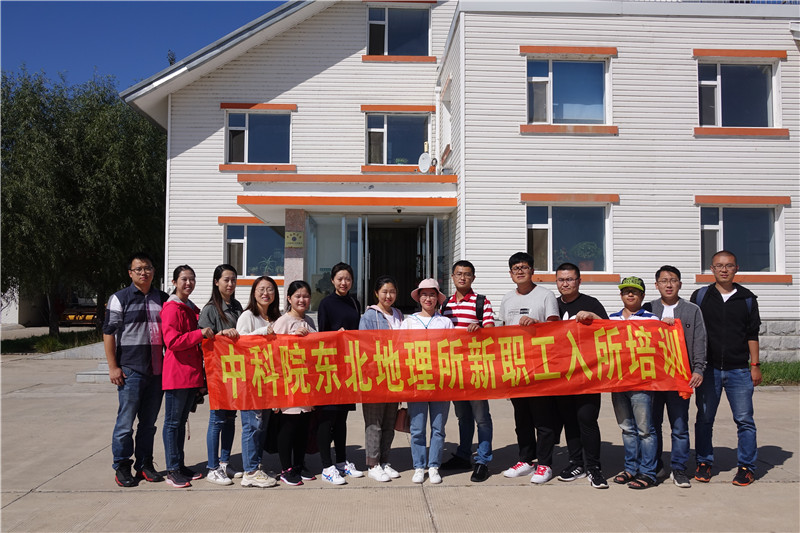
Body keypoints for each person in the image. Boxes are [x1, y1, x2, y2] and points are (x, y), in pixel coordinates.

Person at [691, 250, 761, 487]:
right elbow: (692, 331)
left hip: (739, 370)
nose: (724, 270)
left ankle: (746, 467)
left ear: (736, 269)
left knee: (744, 420)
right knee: (704, 419)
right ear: (711, 269)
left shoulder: (747, 299)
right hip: (708, 370)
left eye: (729, 265)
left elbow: (752, 334)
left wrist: (755, 365)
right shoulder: (701, 296)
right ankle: (703, 462)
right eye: (719, 266)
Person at [585, 276, 659, 490]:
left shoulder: (652, 320)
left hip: (642, 383)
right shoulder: (612, 319)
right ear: (621, 295)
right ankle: (630, 468)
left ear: (642, 295)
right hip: (618, 382)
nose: (630, 294)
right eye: (626, 291)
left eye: (634, 291)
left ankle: (648, 472)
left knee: (645, 430)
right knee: (627, 428)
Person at [103, 252, 170, 487]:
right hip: (130, 370)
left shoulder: (163, 298)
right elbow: (109, 333)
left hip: (157, 371)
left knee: (148, 424)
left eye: (148, 268)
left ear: (154, 271)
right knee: (125, 423)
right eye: (139, 269)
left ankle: (144, 465)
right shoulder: (119, 298)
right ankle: (122, 466)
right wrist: (113, 367)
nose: (144, 272)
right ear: (130, 273)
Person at [643, 265, 707, 488]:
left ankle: (679, 468)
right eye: (663, 281)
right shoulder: (648, 308)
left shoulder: (692, 310)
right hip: (654, 378)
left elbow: (699, 340)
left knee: (679, 426)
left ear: (680, 284)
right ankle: (656, 465)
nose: (668, 285)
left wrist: (698, 369)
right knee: (653, 425)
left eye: (673, 280)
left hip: (680, 377)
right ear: (656, 285)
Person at [498, 252, 559, 483]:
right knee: (521, 417)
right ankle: (526, 460)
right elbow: (502, 328)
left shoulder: (545, 295)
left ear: (532, 270)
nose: (520, 271)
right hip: (515, 366)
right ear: (510, 273)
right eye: (515, 268)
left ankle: (545, 464)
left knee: (542, 418)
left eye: (524, 267)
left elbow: (556, 328)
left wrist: (537, 324)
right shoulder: (507, 298)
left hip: (540, 365)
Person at [552, 262, 609, 489]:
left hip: (587, 374)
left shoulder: (591, 303)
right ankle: (576, 463)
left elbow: (610, 331)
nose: (565, 283)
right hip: (561, 375)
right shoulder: (552, 304)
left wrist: (594, 316)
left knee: (587, 419)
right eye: (561, 279)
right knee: (569, 421)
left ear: (579, 281)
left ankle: (594, 467)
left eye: (570, 279)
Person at [439, 260, 495, 483]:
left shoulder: (482, 302)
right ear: (452, 277)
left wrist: (480, 329)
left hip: (476, 368)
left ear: (473, 277)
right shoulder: (446, 305)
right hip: (455, 369)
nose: (463, 277)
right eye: (459, 274)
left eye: (467, 274)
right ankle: (463, 455)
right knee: (463, 416)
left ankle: (483, 460)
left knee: (481, 417)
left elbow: (492, 332)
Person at [160, 265, 214, 488]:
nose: (188, 283)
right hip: (177, 373)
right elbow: (172, 341)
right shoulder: (172, 308)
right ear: (174, 282)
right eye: (184, 279)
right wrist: (199, 334)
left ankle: (179, 465)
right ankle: (172, 469)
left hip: (190, 374)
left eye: (192, 279)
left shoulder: (190, 307)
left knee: (181, 422)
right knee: (173, 423)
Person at [400, 278, 454, 484]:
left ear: (438, 298)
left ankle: (434, 466)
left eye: (432, 295)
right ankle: (419, 465)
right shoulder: (409, 322)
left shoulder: (445, 322)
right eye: (424, 294)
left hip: (440, 382)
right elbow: (399, 349)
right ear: (418, 297)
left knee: (438, 428)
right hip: (417, 381)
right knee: (417, 428)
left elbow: (453, 349)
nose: (428, 298)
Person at [316, 263, 364, 484]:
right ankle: (327, 466)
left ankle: (342, 462)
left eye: (348, 279)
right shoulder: (325, 303)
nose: (344, 282)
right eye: (340, 279)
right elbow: (321, 335)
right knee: (327, 417)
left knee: (342, 417)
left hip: (348, 366)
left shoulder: (355, 302)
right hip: (330, 367)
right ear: (332, 280)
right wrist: (336, 335)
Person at [235, 275, 282, 488]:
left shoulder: (276, 317)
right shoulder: (247, 316)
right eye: (261, 289)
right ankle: (250, 471)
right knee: (251, 425)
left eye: (270, 289)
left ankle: (257, 465)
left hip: (269, 380)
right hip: (251, 380)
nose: (266, 293)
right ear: (254, 293)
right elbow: (241, 344)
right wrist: (262, 332)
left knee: (261, 426)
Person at [199, 264, 243, 485]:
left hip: (235, 371)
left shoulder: (236, 307)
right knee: (217, 419)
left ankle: (225, 462)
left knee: (230, 419)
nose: (230, 284)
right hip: (217, 372)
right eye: (226, 280)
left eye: (233, 280)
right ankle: (212, 466)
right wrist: (220, 334)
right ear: (216, 282)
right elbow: (203, 340)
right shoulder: (209, 309)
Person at [358, 275, 404, 482]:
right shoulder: (369, 316)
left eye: (392, 292)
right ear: (376, 293)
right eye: (384, 292)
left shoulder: (399, 314)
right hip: (375, 377)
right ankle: (373, 464)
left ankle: (385, 460)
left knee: (389, 421)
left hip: (395, 377)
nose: (388, 296)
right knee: (374, 422)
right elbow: (363, 346)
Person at [271, 280, 316, 486]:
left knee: (302, 427)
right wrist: (292, 338)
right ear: (289, 298)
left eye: (305, 296)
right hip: (287, 383)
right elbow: (274, 353)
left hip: (306, 383)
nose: (302, 300)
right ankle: (286, 468)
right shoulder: (283, 322)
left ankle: (299, 463)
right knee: (288, 427)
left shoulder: (310, 321)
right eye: (297, 296)